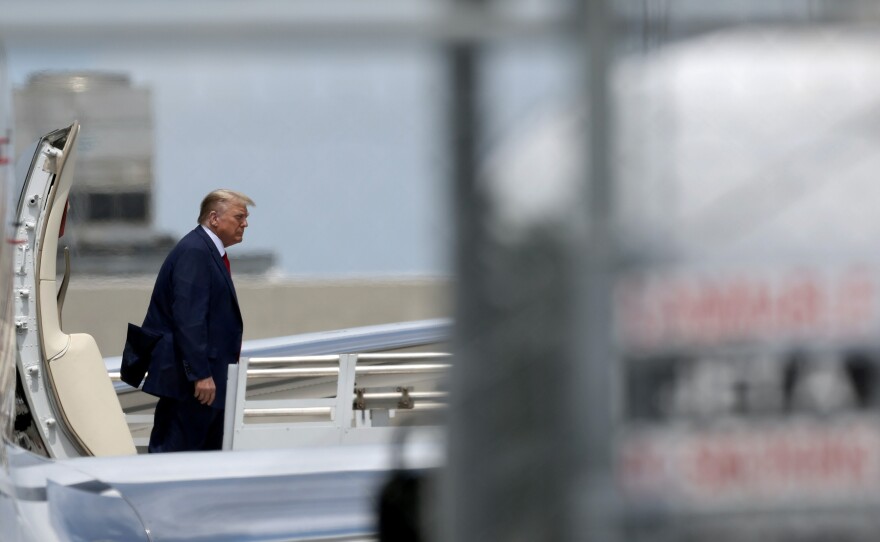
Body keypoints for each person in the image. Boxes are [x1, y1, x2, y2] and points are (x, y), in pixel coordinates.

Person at [124, 189, 254, 452]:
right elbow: (189, 319)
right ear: (214, 218)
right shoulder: (195, 252)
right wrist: (200, 374)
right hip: (192, 387)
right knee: (174, 460)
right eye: (239, 216)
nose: (245, 223)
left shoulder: (206, 252)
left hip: (207, 384)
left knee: (204, 464)